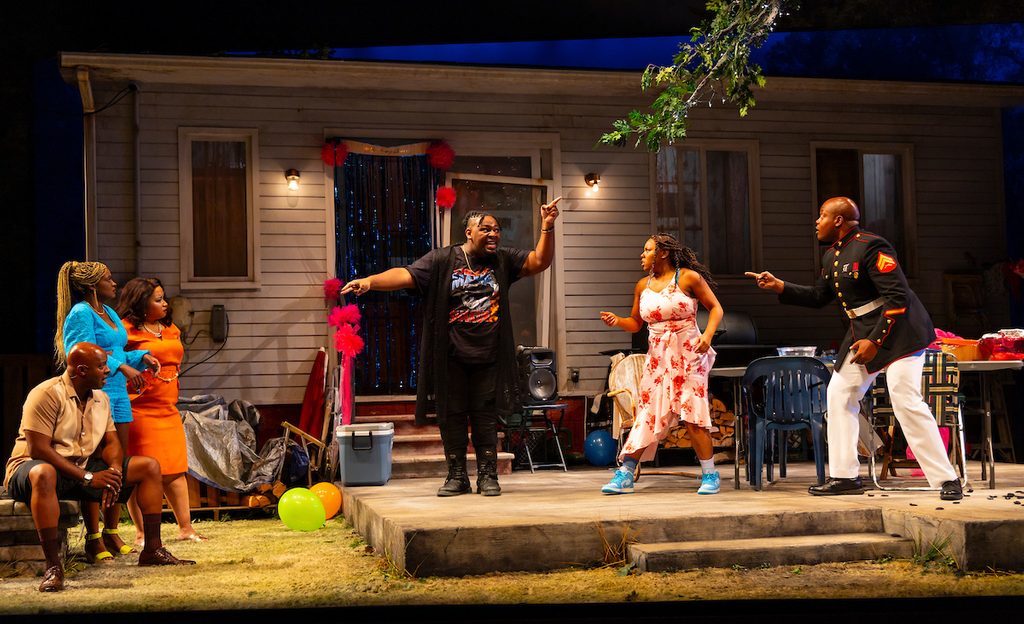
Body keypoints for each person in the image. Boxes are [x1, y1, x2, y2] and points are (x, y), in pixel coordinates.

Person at [745, 196, 962, 501]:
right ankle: (845, 476)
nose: (816, 222)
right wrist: (781, 286)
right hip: (861, 332)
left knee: (905, 398)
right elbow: (820, 297)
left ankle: (946, 479)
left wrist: (875, 341)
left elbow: (898, 298)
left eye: (822, 215)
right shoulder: (831, 256)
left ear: (838, 220)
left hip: (901, 332)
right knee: (839, 395)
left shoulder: (872, 247)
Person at [342, 198, 562, 497]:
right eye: (486, 229)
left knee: (485, 417)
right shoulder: (444, 259)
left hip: (490, 356)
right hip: (451, 356)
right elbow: (406, 274)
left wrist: (547, 227)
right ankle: (457, 475)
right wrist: (370, 281)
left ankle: (487, 475)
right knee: (452, 416)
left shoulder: (502, 260)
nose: (494, 234)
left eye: (497, 229)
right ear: (469, 232)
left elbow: (539, 261)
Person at [3, 343, 195, 592]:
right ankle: (53, 567)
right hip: (33, 468)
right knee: (44, 472)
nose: (107, 370)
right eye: (102, 366)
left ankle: (152, 549)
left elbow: (111, 442)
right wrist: (88, 477)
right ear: (82, 370)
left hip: (78, 467)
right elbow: (39, 449)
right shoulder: (46, 394)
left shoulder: (101, 398)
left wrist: (114, 471)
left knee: (148, 466)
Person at [598, 234, 724, 495]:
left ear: (663, 253)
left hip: (688, 354)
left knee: (692, 412)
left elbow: (716, 308)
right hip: (657, 357)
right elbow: (636, 323)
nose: (642, 255)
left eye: (647, 250)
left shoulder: (687, 278)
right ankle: (626, 473)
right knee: (648, 411)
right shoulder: (642, 286)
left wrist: (708, 335)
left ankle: (710, 474)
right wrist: (618, 321)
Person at [55, 260, 160, 559]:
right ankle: (93, 537)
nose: (115, 284)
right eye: (109, 279)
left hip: (118, 395)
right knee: (95, 464)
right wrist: (121, 367)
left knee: (117, 463)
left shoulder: (109, 312)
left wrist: (141, 357)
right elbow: (81, 354)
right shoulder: (81, 313)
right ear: (91, 285)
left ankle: (112, 531)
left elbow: (117, 352)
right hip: (95, 394)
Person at [117, 277, 207, 545]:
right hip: (139, 408)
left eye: (163, 297)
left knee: (175, 468)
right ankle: (142, 533)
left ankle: (186, 528)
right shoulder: (125, 330)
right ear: (141, 303)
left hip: (167, 407)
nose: (165, 303)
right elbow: (116, 361)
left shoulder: (170, 328)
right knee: (141, 472)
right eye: (158, 299)